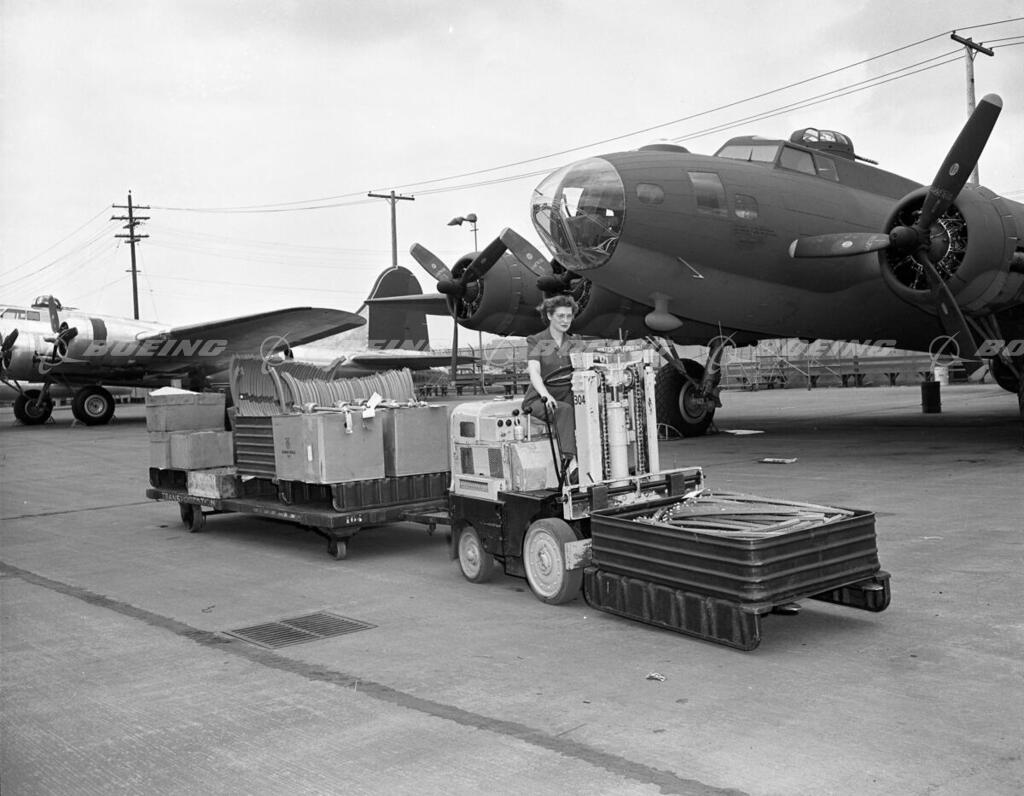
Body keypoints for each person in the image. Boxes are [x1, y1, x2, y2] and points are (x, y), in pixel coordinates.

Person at [521, 295, 582, 479]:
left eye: (569, 316)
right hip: (540, 399)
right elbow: (534, 371)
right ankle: (571, 463)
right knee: (564, 410)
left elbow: (583, 369)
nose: (565, 320)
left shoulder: (574, 342)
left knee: (592, 409)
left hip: (567, 394)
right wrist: (545, 395)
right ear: (549, 316)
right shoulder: (538, 341)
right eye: (560, 316)